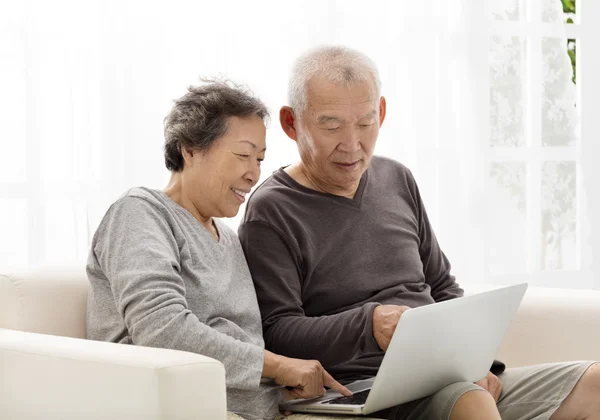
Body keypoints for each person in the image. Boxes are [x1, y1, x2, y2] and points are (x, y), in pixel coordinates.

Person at [238, 46, 600, 420]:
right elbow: (276, 332)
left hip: (446, 377)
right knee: (471, 403)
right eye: (331, 125)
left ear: (380, 112)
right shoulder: (271, 210)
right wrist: (369, 324)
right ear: (291, 123)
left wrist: (476, 364)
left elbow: (442, 286)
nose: (351, 144)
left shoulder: (396, 178)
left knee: (596, 383)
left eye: (364, 123)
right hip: (369, 390)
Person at [86, 79, 351, 420]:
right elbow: (162, 329)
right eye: (243, 155)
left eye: (259, 159)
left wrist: (276, 381)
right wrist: (278, 366)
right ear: (191, 149)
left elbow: (242, 347)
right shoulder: (140, 212)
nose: (253, 173)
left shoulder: (227, 238)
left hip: (268, 409)